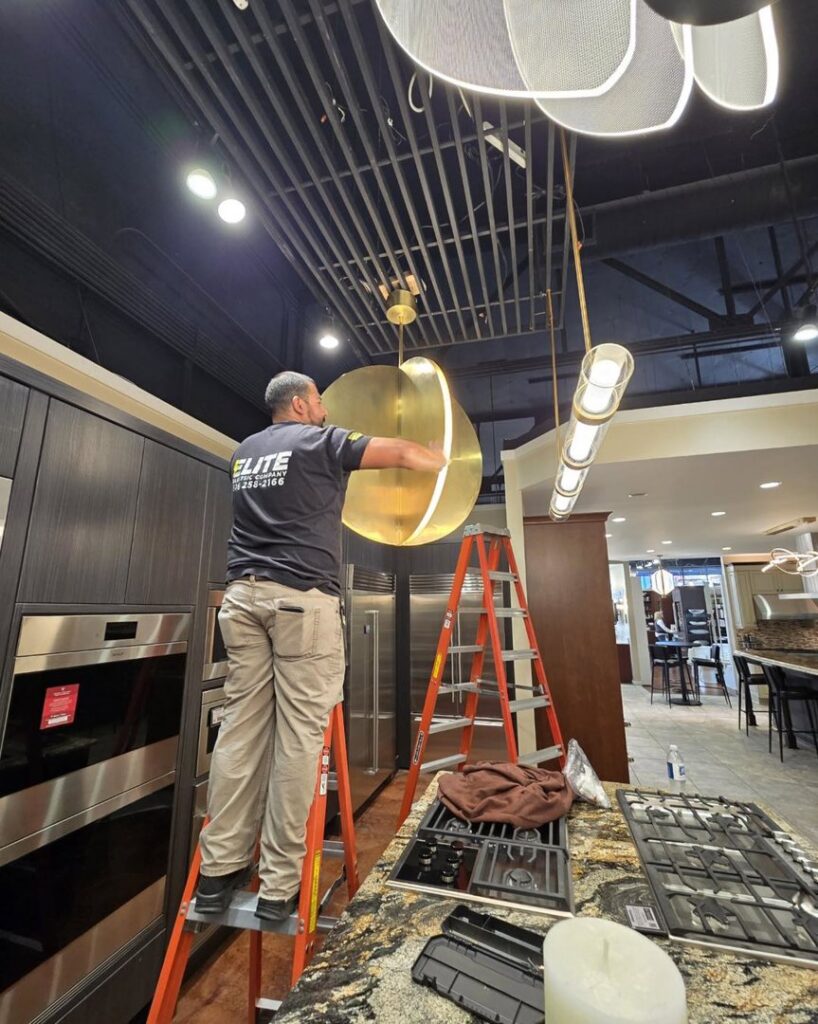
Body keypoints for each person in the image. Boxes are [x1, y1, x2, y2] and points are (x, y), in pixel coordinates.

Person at [195, 371, 447, 922]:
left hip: (241, 599)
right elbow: (398, 452)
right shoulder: (319, 440)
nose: (327, 411)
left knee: (239, 730)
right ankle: (280, 886)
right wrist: (438, 458)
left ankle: (217, 872)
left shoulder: (243, 453)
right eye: (322, 403)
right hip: (300, 604)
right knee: (298, 740)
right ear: (303, 403)